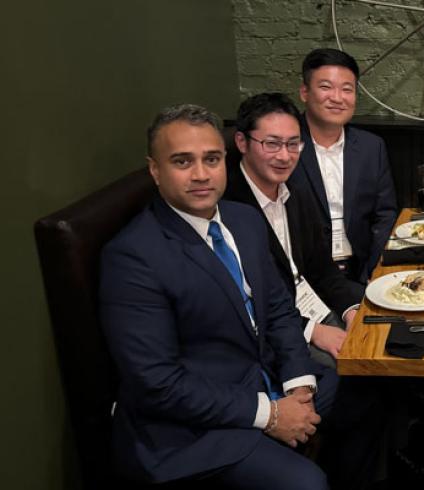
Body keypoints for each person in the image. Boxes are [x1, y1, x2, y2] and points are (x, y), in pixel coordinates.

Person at [100, 104, 334, 489]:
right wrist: (271, 414)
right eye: (182, 161)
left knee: (366, 387)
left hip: (266, 382)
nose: (201, 174)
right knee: (305, 484)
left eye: (211, 159)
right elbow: (158, 383)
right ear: (155, 170)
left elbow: (277, 308)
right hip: (193, 428)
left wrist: (299, 384)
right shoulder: (132, 256)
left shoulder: (243, 219)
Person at [223, 92, 365, 368]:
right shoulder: (229, 207)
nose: (285, 156)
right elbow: (247, 303)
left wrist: (351, 310)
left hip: (312, 302)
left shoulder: (296, 190)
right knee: (350, 369)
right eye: (272, 144)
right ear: (242, 142)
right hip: (272, 331)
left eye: (293, 144)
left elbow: (321, 267)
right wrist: (314, 331)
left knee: (382, 326)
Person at [293, 47, 398, 282]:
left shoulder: (372, 147)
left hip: (360, 271)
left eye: (347, 89)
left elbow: (385, 214)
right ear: (304, 92)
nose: (338, 97)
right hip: (304, 279)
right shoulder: (285, 146)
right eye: (326, 87)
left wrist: (373, 270)